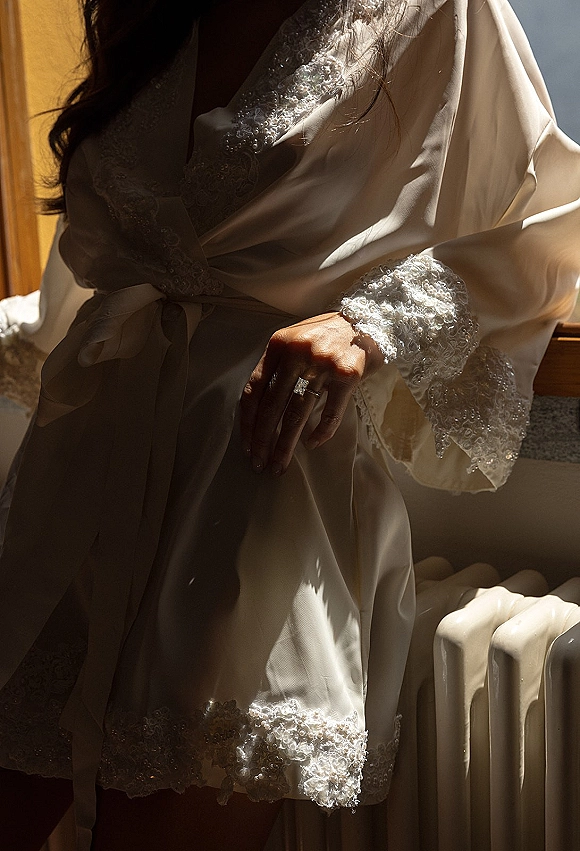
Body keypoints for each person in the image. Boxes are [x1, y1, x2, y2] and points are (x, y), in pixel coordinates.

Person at [0, 0, 579, 849]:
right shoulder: (146, 14)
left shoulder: (429, 12)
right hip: (73, 488)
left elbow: (555, 219)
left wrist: (373, 324)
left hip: (245, 497)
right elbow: (93, 274)